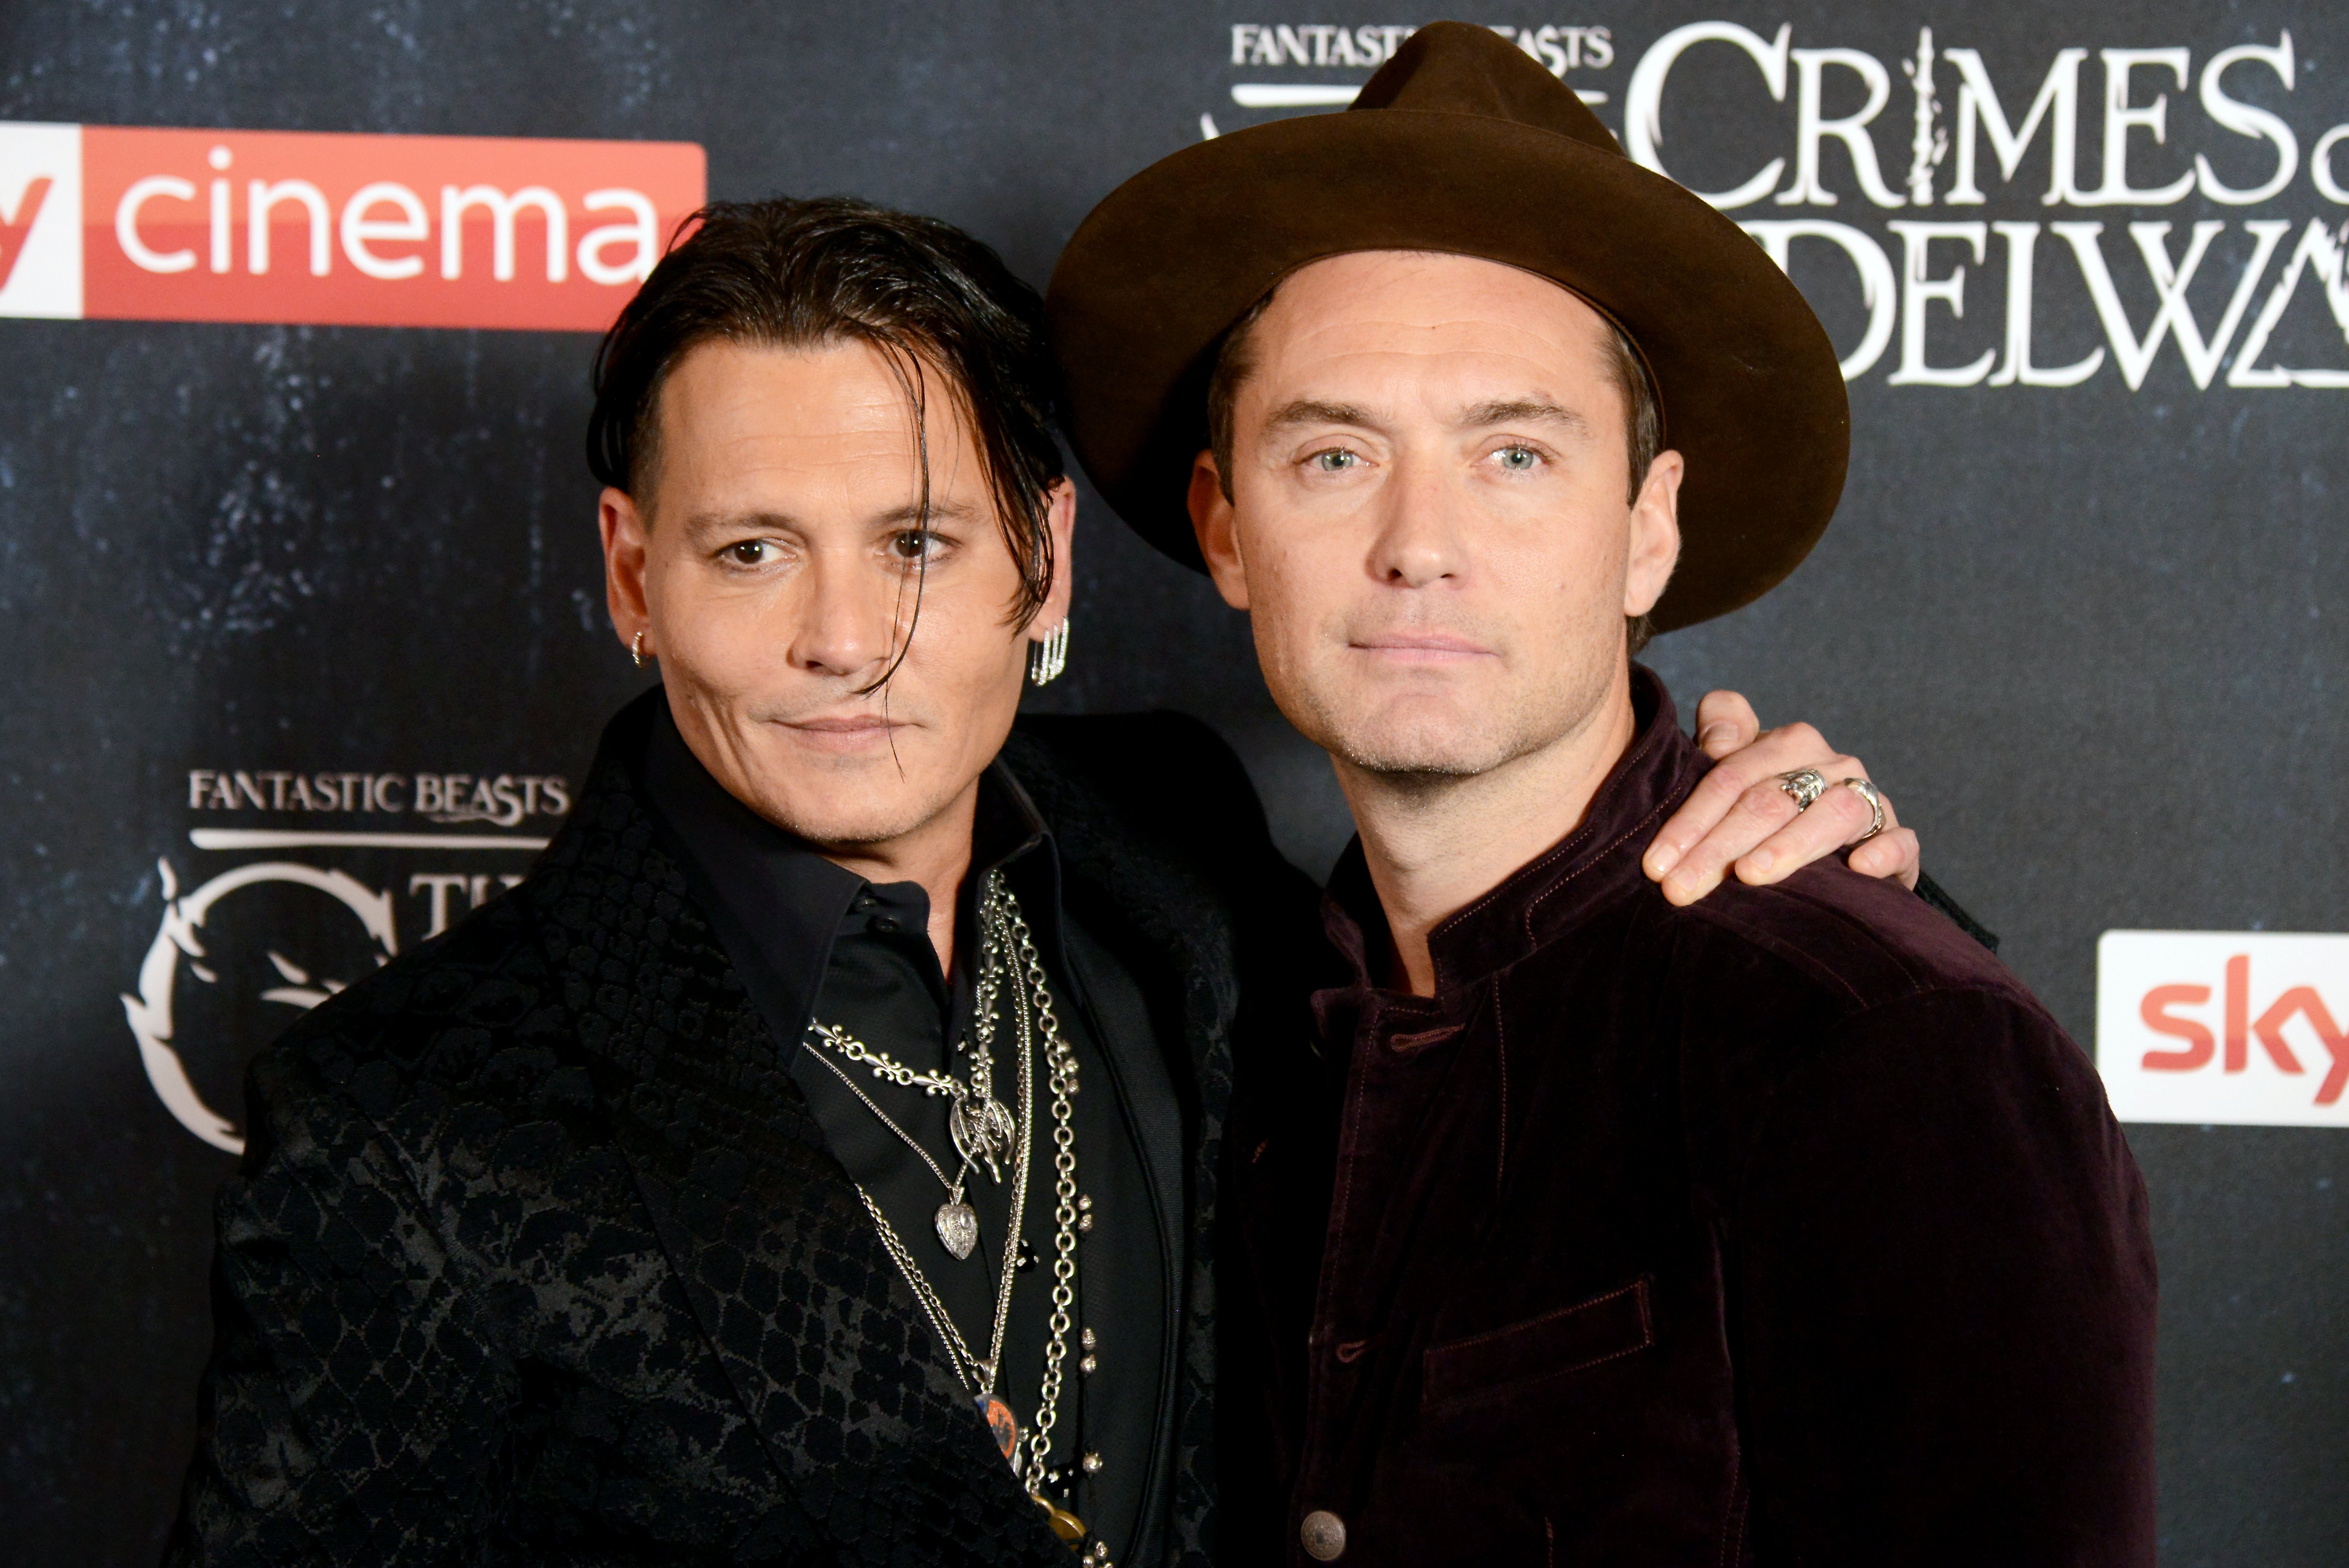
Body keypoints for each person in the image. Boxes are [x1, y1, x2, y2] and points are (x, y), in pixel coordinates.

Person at [165, 197, 1934, 1568]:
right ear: (636, 574)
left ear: (1046, 553)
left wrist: (1809, 873)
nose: (844, 643)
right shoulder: (401, 1124)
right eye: (752, 549)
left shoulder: (1177, 859)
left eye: (919, 545)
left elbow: (1531, 1059)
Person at [1045, 22, 2155, 1568]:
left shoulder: (1882, 1045)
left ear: (1647, 530)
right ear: (1224, 527)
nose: (1416, 541)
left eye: (1512, 455)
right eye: (1330, 456)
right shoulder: (1236, 1010)